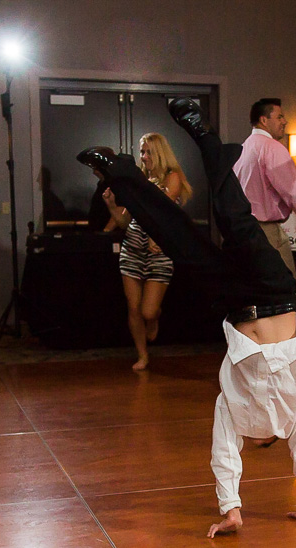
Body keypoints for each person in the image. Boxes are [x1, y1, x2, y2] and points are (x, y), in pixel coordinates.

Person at [77, 97, 296, 536]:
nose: (258, 438)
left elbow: (225, 452)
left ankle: (117, 171)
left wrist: (232, 509)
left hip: (233, 300)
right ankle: (206, 138)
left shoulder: (235, 411)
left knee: (176, 237)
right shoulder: (294, 413)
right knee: (234, 216)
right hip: (275, 291)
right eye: (260, 442)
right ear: (266, 441)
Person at [101, 132, 192, 370]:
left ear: (160, 153)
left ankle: (154, 320)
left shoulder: (172, 177)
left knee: (148, 311)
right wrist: (111, 204)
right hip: (132, 249)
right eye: (142, 152)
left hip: (160, 251)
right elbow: (124, 223)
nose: (144, 156)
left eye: (148, 151)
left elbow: (161, 212)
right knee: (133, 308)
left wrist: (156, 237)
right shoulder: (138, 180)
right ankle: (142, 355)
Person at [233, 98, 296, 282]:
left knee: (257, 286)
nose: (285, 121)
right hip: (266, 231)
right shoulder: (272, 148)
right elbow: (293, 189)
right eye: (280, 116)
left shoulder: (244, 148)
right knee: (286, 287)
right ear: (264, 120)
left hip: (243, 230)